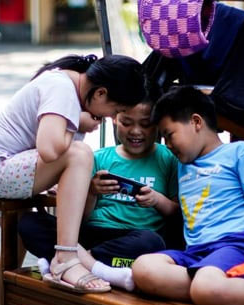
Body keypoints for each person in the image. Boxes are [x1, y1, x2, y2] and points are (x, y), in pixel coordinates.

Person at [0, 54, 145, 305]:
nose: (111, 117)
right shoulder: (62, 88)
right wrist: (78, 122)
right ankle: (65, 259)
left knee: (13, 241)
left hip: (2, 166)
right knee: (80, 152)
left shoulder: (68, 86)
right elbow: (51, 149)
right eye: (115, 108)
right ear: (100, 92)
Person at [132, 86, 244, 305]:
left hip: (239, 246)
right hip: (197, 253)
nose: (168, 145)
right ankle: (219, 291)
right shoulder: (183, 164)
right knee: (144, 268)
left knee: (206, 285)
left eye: (170, 135)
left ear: (196, 122)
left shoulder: (241, 153)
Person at [16, 90, 180, 292]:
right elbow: (78, 219)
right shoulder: (98, 158)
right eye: (127, 123)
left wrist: (156, 200)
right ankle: (94, 267)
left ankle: (70, 263)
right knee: (29, 223)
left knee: (152, 243)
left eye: (145, 124)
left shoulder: (167, 159)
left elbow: (176, 213)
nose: (136, 131)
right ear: (114, 119)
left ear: (156, 124)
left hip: (132, 240)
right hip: (90, 234)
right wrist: (92, 192)